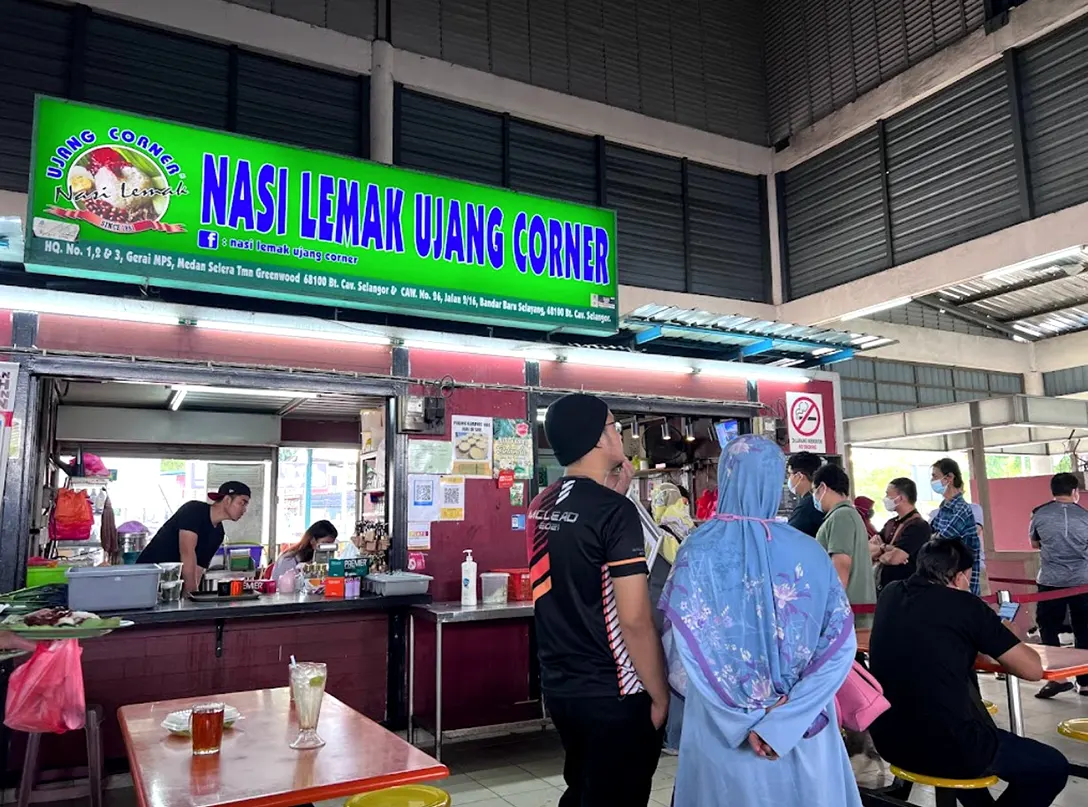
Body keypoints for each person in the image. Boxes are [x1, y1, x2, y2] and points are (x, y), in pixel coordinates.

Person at [660, 435, 860, 807]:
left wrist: (740, 714)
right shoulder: (809, 551)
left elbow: (680, 654)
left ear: (726, 477)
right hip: (800, 731)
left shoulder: (696, 551)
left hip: (721, 734)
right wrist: (782, 720)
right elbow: (838, 648)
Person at [529, 393, 668, 807]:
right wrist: (659, 694)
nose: (620, 432)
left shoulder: (541, 505)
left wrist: (615, 497)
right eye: (613, 425)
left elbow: (580, 562)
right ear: (595, 439)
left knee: (585, 787)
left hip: (560, 686)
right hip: (614, 692)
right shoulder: (614, 513)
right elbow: (635, 620)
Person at [869, 539, 1067, 807]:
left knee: (964, 741)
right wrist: (1009, 636)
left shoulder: (891, 594)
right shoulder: (966, 606)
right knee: (1051, 767)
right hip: (948, 746)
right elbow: (1031, 669)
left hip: (890, 740)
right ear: (961, 576)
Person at [1031, 472, 1088, 699]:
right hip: (1083, 581)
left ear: (1053, 492)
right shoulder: (1085, 517)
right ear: (1075, 492)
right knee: (1084, 629)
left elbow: (1034, 543)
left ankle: (1058, 678)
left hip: (1050, 580)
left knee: (1049, 627)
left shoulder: (1039, 514)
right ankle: (1085, 682)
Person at [136, 482, 251, 593]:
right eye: (242, 503)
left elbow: (198, 569)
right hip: (145, 578)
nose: (245, 510)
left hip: (171, 587)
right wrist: (192, 591)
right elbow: (187, 552)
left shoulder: (218, 534)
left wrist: (192, 598)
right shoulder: (193, 510)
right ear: (227, 500)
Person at [812, 464, 877, 627]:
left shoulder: (841, 516)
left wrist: (832, 611)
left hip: (848, 615)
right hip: (853, 612)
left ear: (822, 487)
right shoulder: (847, 515)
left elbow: (841, 565)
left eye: (814, 490)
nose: (814, 496)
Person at [930, 458, 982, 595]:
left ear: (949, 478)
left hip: (960, 581)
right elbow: (929, 536)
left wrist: (933, 538)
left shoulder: (961, 509)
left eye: (935, 476)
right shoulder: (943, 508)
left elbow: (940, 541)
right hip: (946, 578)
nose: (932, 480)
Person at [871, 478, 931, 592]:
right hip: (885, 589)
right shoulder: (890, 523)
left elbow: (895, 558)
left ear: (901, 498)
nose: (885, 499)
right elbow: (868, 549)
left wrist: (881, 549)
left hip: (908, 592)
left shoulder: (918, 526)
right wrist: (887, 548)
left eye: (888, 495)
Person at [269, 520, 338, 582]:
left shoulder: (319, 561)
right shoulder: (288, 560)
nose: (328, 548)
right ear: (312, 540)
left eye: (331, 544)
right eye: (325, 543)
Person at [786, 451, 824, 537]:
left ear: (800, 476)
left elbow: (788, 537)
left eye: (790, 474)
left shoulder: (807, 506)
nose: (789, 478)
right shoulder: (823, 498)